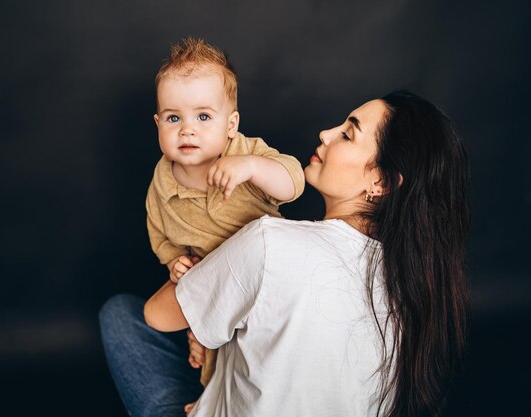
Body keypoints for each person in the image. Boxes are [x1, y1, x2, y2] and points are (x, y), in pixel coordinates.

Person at [100, 90, 470, 417]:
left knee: (121, 314)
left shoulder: (269, 242)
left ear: (381, 182)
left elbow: (158, 316)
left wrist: (198, 271)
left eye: (347, 133)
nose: (325, 134)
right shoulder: (415, 288)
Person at [145, 36, 304, 394]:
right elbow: (159, 230)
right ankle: (212, 398)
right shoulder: (162, 179)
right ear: (158, 124)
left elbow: (293, 182)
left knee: (261, 357)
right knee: (214, 359)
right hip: (210, 287)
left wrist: (251, 167)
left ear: (231, 125)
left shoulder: (246, 153)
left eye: (203, 116)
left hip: (265, 286)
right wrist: (173, 261)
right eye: (173, 118)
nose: (187, 129)